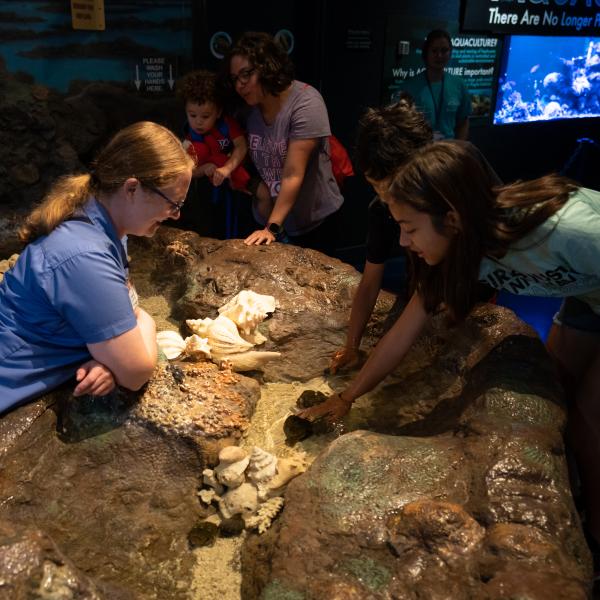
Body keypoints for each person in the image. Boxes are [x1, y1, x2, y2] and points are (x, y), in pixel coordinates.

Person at [298, 141, 600, 556]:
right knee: (558, 393)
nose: (403, 241)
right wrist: (347, 397)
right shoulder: (460, 248)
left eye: (410, 227)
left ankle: (595, 543)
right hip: (587, 294)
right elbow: (404, 331)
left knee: (589, 420)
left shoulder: (569, 229)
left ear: (452, 218)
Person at [0, 121, 194, 413]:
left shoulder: (104, 224)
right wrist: (145, 327)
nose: (176, 215)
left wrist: (107, 358)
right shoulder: (84, 255)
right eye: (173, 203)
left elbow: (119, 310)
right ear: (132, 188)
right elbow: (137, 372)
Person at [329, 98, 500, 374]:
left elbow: (495, 227)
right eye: (376, 186)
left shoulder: (464, 165)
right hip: (426, 287)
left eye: (393, 183)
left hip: (476, 286)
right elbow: (370, 280)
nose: (388, 198)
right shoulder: (382, 210)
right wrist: (352, 346)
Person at [226, 31, 344, 255]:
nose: (240, 85)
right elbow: (231, 148)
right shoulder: (247, 110)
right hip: (270, 219)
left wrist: (272, 228)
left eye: (246, 75)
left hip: (313, 221)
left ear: (267, 67)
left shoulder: (306, 102)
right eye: (234, 79)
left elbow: (292, 173)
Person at [177, 69, 271, 219]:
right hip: (209, 193)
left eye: (205, 116)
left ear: (218, 112)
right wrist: (204, 169)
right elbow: (187, 172)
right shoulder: (189, 142)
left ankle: (272, 232)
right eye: (192, 115)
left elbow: (242, 145)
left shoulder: (227, 125)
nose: (198, 121)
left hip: (238, 176)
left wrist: (227, 169)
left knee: (265, 194)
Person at [401, 29, 471, 140]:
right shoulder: (409, 87)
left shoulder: (459, 85)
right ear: (426, 53)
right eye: (434, 51)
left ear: (450, 53)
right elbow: (402, 125)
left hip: (449, 152)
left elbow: (463, 122)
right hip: (421, 152)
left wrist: (459, 149)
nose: (439, 55)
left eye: (444, 50)